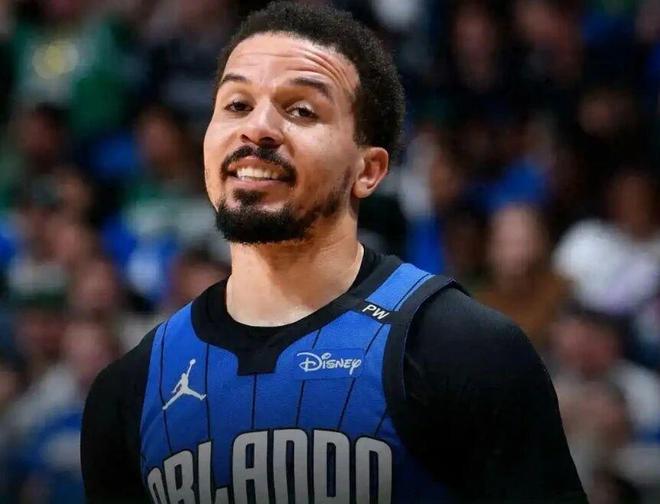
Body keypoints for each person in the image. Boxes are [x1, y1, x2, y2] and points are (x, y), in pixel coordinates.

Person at [81, 2, 586, 503]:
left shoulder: (465, 350)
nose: (257, 128)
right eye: (236, 105)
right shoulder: (130, 388)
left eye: (301, 110)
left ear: (368, 171)